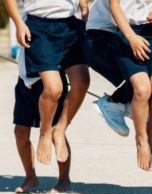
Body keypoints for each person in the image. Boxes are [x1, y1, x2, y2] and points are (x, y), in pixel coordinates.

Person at [4, 0, 90, 165]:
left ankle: (60, 129)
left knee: (82, 81)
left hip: (70, 25)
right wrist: (19, 24)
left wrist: (85, 9)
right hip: (39, 26)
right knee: (53, 88)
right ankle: (45, 133)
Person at [85, 0, 152, 137]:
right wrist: (133, 34)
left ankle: (123, 103)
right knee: (141, 85)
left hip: (128, 27)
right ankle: (115, 102)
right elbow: (115, 7)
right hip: (103, 32)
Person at [109, 0, 152, 171]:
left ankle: (151, 130)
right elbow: (114, 6)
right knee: (142, 90)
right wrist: (131, 37)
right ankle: (141, 140)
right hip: (128, 34)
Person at [13, 49, 72, 194]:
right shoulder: (24, 24)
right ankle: (30, 177)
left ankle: (64, 180)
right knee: (20, 131)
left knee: (55, 132)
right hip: (25, 80)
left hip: (50, 81)